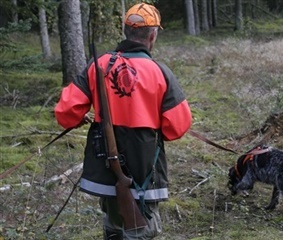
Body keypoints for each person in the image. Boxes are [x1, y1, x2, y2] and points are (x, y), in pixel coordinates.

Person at [54, 3, 192, 239]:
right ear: (152, 35)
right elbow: (177, 126)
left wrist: (78, 119)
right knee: (142, 229)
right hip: (146, 163)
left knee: (114, 225)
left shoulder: (99, 65)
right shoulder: (159, 71)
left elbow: (66, 112)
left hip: (105, 162)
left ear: (126, 31)